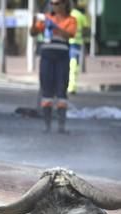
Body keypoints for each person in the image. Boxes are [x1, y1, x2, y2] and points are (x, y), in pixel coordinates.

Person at [30, 0, 76, 133]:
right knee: (46, 91)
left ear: (65, 5)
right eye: (52, 3)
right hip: (47, 57)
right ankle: (47, 126)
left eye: (57, 3)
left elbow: (69, 34)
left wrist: (54, 26)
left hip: (62, 57)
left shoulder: (71, 20)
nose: (54, 6)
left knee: (62, 90)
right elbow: (33, 33)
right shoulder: (46, 18)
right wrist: (34, 21)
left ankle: (61, 126)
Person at [67, 1, 89, 95]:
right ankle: (72, 86)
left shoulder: (68, 15)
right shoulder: (80, 15)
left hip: (67, 42)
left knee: (68, 64)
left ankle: (69, 85)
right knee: (74, 65)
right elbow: (86, 28)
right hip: (77, 43)